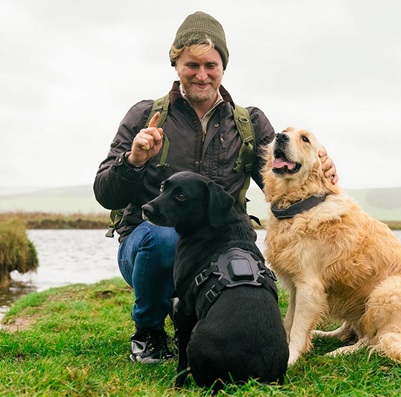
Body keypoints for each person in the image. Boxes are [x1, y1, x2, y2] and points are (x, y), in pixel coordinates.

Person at [93, 11, 337, 364]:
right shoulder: (144, 116)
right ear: (176, 63)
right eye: (192, 64)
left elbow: (282, 178)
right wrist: (134, 161)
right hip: (151, 246)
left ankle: (212, 326)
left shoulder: (249, 123)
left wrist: (317, 166)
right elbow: (105, 194)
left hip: (224, 245)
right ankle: (148, 333)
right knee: (164, 239)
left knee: (251, 272)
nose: (202, 74)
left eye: (211, 64)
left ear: (223, 66)